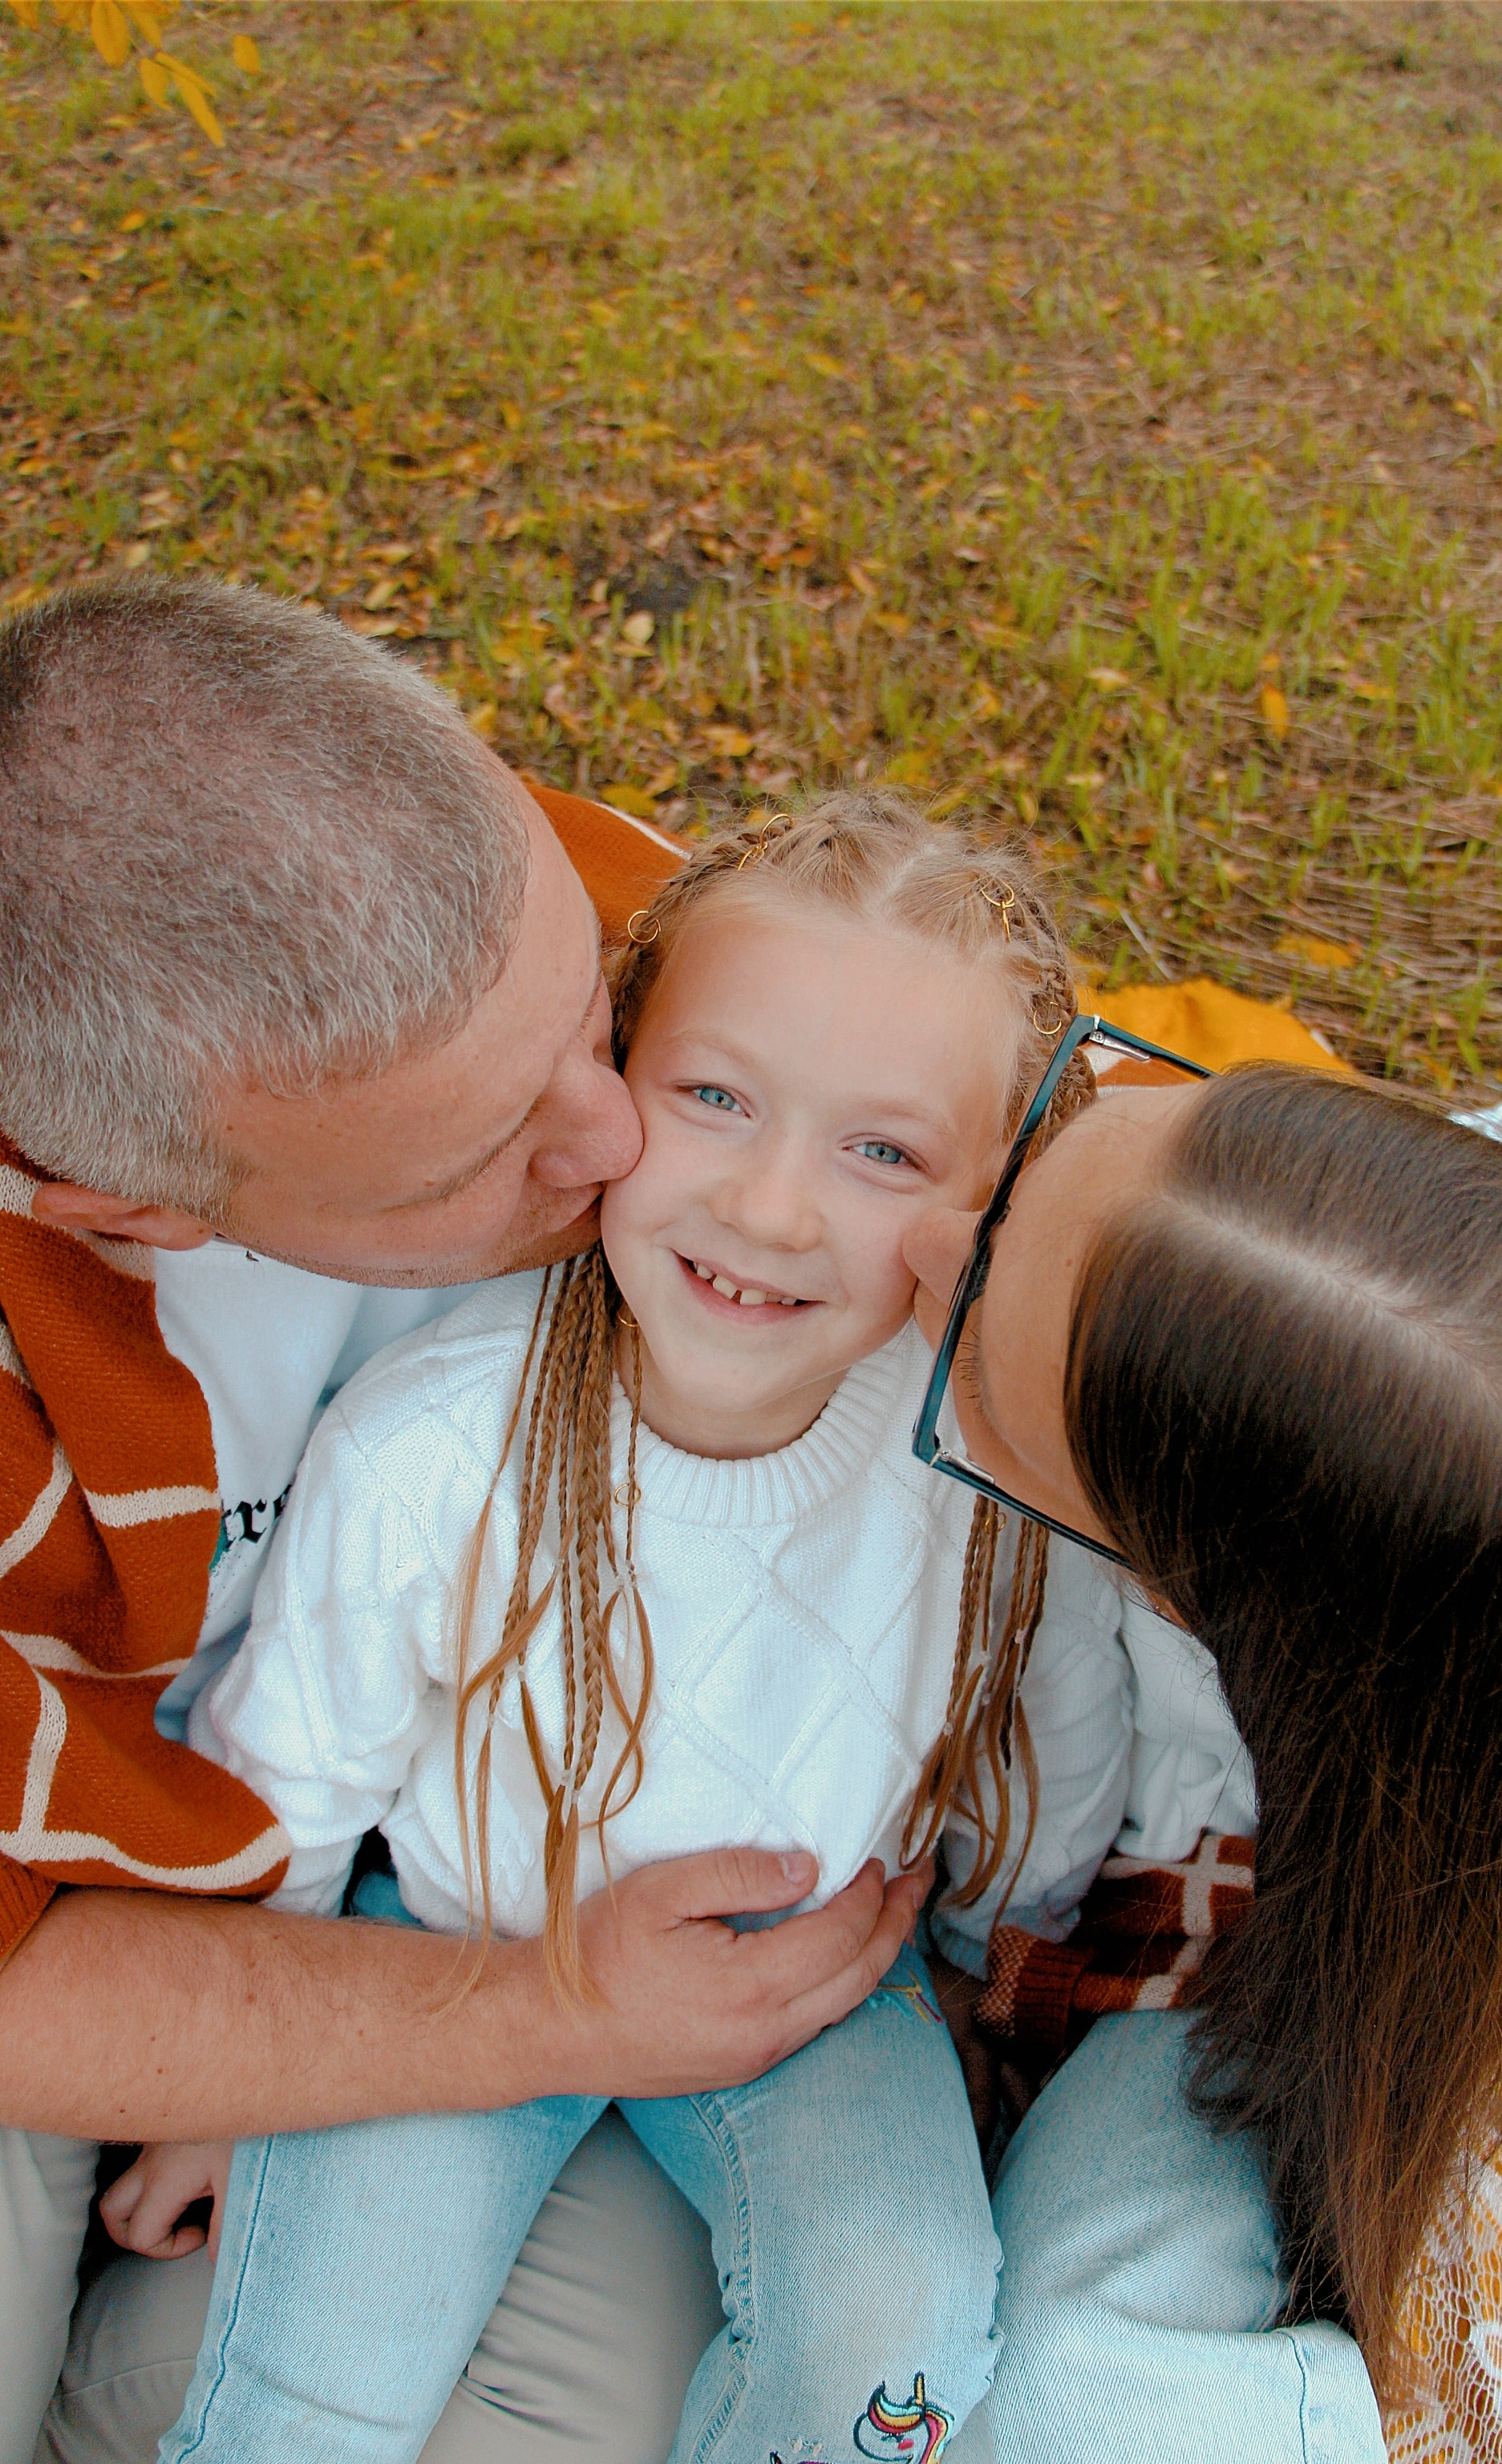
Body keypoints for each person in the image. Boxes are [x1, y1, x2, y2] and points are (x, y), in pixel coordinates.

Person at [114, 798, 1196, 2464]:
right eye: (713, 1099)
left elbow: (1045, 1731)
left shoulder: (973, 1470)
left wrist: (1001, 1981)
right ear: (614, 1067)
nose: (766, 1210)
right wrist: (229, 2082)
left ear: (992, 1198)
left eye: (882, 1153)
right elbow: (300, 1760)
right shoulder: (430, 1445)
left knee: (891, 2345)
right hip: (451, 1951)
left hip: (825, 1986)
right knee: (308, 2392)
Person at [0, 582, 923, 2464]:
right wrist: (549, 2014)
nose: (620, 1140)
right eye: (479, 1155)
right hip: (89, 1960)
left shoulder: (598, 928)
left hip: (457, 1890)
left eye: (592, 1013)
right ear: (115, 1208)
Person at [899, 1047, 1502, 2464]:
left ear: (1189, 1608)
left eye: (975, 1365)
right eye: (1074, 1122)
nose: (927, 1235)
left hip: (1325, 1984)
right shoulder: (1421, 1298)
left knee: (1080, 2389)